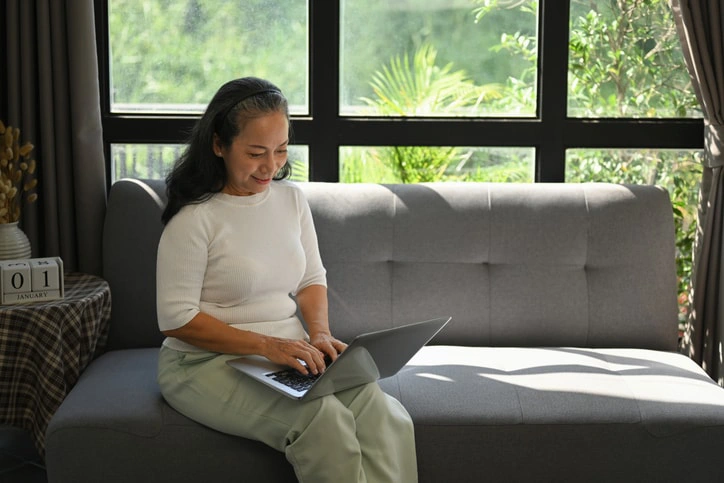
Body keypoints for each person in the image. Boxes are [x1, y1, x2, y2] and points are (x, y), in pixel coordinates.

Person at [155, 77, 418, 482]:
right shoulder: (194, 219)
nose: (271, 166)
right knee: (321, 420)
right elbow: (176, 319)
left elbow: (312, 277)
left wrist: (320, 334)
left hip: (286, 354)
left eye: (280, 150)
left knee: (385, 414)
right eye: (256, 152)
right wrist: (268, 345)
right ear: (219, 145)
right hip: (202, 363)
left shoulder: (291, 199)